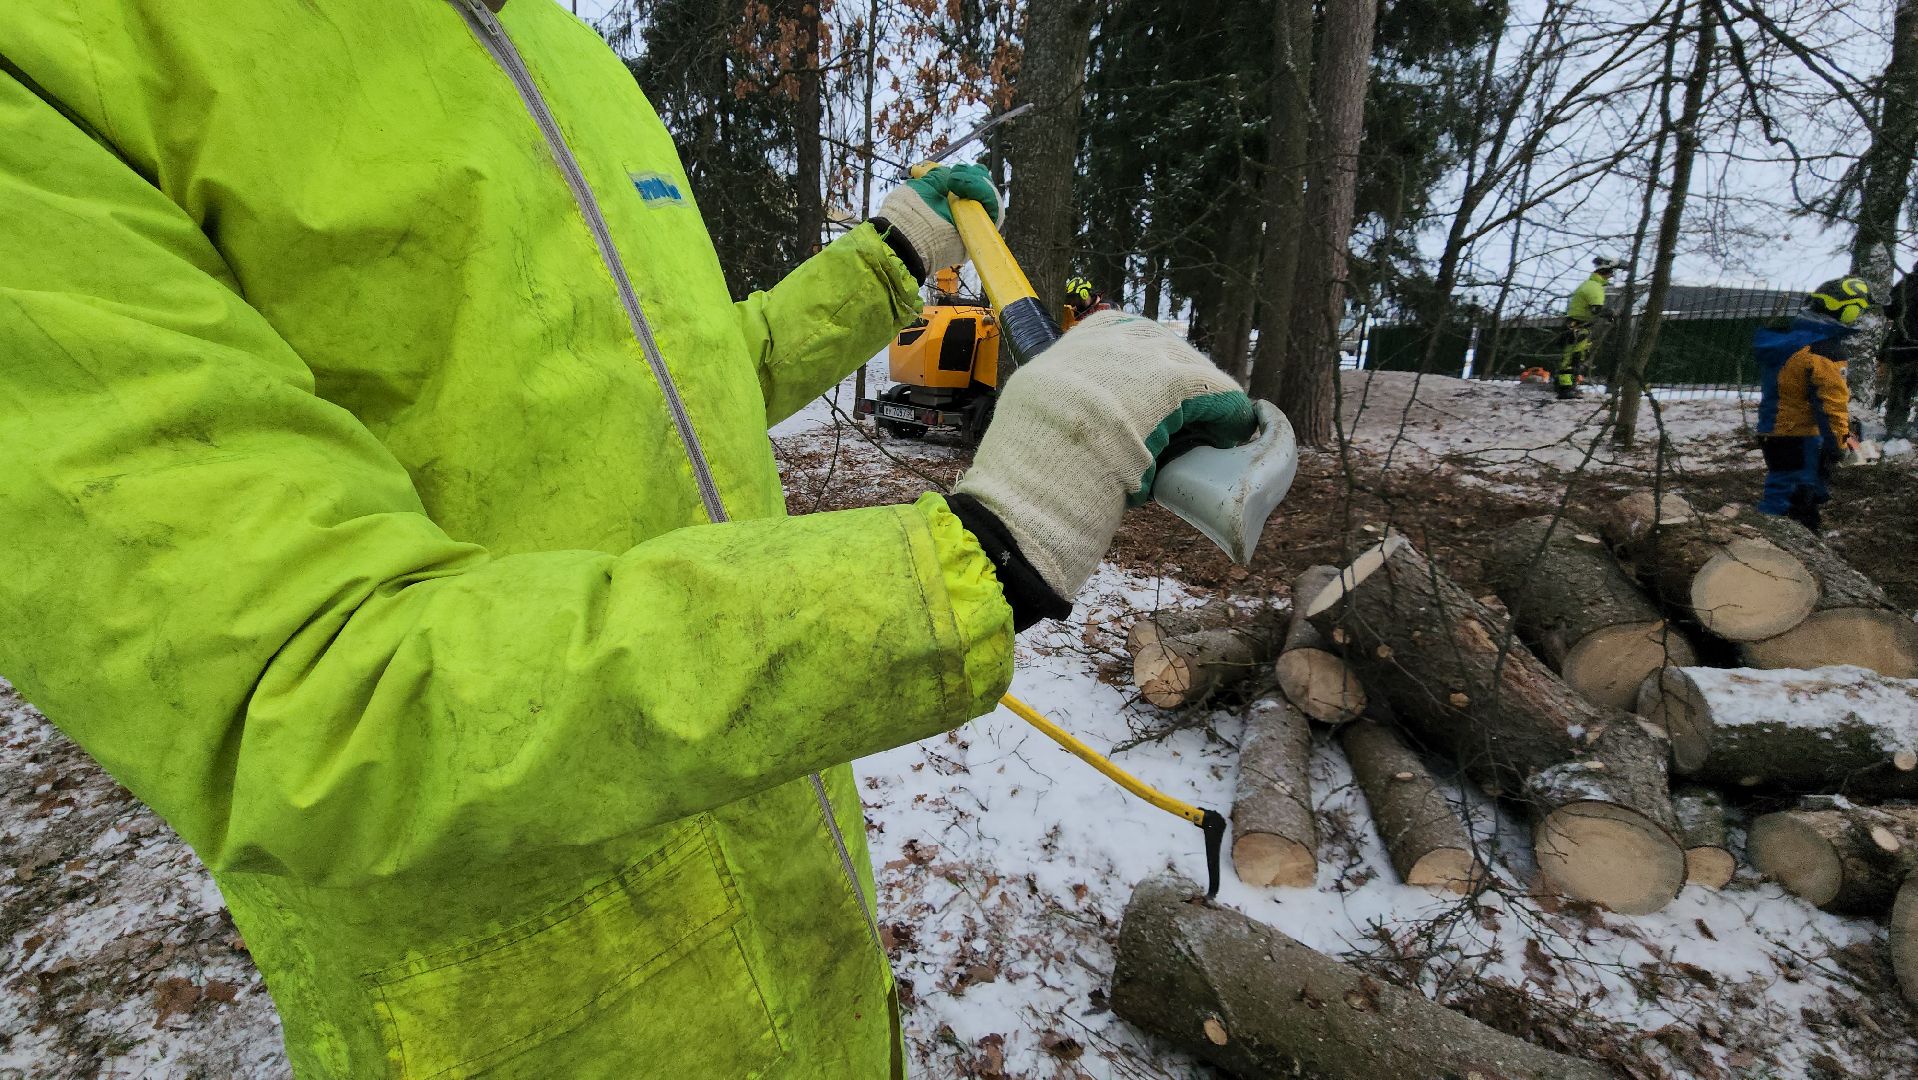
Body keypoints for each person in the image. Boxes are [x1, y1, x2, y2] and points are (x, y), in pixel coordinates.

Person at [0, 5, 1258, 1079]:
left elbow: (688, 377)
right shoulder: (59, 64)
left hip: (803, 910)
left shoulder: (562, 56)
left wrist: (886, 261)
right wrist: (985, 547)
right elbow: (306, 695)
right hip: (559, 1015)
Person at [1754, 277, 1877, 530]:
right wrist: (1839, 442)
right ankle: (1772, 553)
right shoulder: (1824, 350)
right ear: (1847, 309)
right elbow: (1831, 403)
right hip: (1801, 435)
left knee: (1783, 489)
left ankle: (1768, 544)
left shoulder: (1791, 339)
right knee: (1797, 504)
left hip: (1773, 429)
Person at [1556, 255, 1624, 400]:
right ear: (1605, 273)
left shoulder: (1589, 285)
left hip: (1577, 325)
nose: (1611, 276)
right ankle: (1566, 388)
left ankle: (1567, 385)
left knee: (1574, 356)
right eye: (1610, 273)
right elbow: (1596, 309)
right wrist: (1610, 313)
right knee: (1573, 357)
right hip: (1579, 326)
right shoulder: (1594, 287)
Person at [1880, 265, 1918, 438]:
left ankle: (1895, 428)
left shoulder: (1906, 283)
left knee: (1901, 388)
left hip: (1901, 347)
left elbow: (1889, 310)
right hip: (1905, 347)